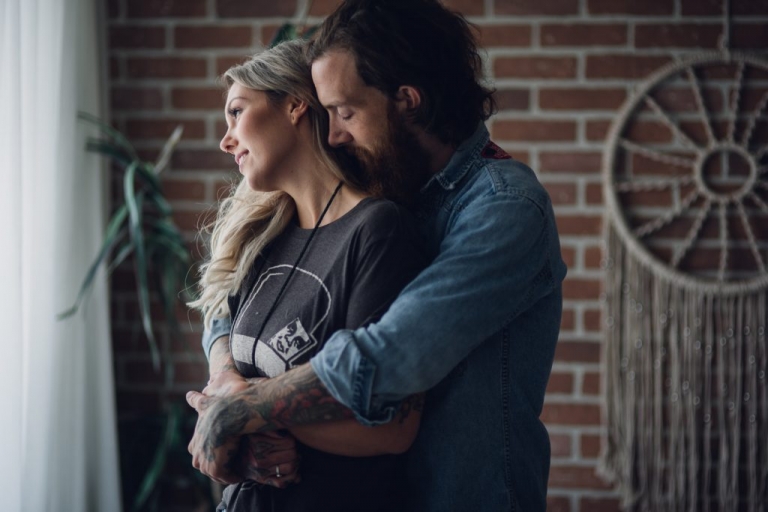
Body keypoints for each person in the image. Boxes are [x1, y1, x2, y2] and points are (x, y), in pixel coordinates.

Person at [188, 0, 568, 510]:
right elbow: (227, 299)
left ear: (407, 100)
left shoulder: (503, 207)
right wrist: (230, 380)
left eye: (345, 112)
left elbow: (386, 357)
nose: (334, 132)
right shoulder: (388, 180)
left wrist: (245, 407)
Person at [188, 38, 426, 511]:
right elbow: (224, 344)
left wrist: (247, 417)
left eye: (237, 111)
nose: (226, 138)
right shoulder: (264, 235)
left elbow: (393, 430)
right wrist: (243, 441)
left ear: (295, 105)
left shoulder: (377, 229)